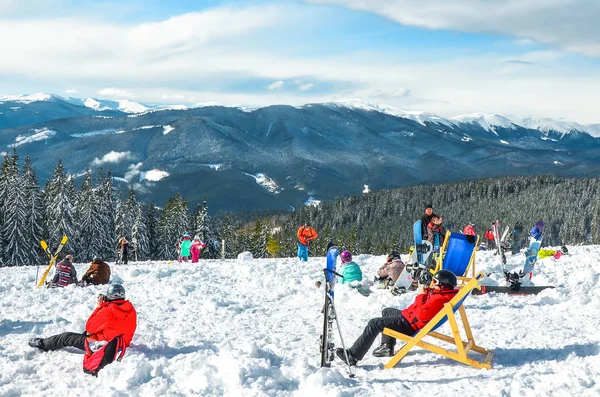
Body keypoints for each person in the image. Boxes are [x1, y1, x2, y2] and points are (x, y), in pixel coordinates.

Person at [335, 270, 458, 366]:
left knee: (374, 324)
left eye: (435, 282)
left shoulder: (440, 300)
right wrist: (427, 292)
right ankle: (387, 346)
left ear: (444, 285)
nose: (433, 284)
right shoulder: (443, 294)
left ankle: (353, 356)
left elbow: (421, 315)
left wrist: (421, 295)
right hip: (408, 317)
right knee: (387, 311)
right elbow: (425, 307)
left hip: (409, 325)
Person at [28, 283, 137, 352]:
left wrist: (99, 307)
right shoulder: (131, 310)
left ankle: (43, 344)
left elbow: (90, 327)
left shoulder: (108, 311)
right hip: (122, 344)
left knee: (66, 337)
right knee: (85, 334)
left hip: (102, 345)